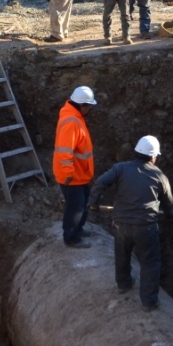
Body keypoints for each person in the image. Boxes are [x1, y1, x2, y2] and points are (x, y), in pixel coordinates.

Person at [89, 135, 173, 312]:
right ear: (153, 157)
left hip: (120, 224)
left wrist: (93, 204)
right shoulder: (159, 176)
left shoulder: (121, 168)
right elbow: (168, 203)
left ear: (136, 152)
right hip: (146, 227)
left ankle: (123, 284)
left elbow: (100, 183)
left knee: (122, 254)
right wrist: (169, 215)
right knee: (150, 262)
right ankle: (149, 301)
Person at [54, 86, 98, 248]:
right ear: (82, 105)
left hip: (80, 174)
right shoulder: (71, 122)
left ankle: (78, 229)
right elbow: (64, 151)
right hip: (72, 176)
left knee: (82, 204)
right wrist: (68, 173)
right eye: (89, 106)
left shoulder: (75, 117)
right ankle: (71, 237)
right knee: (75, 208)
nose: (90, 109)